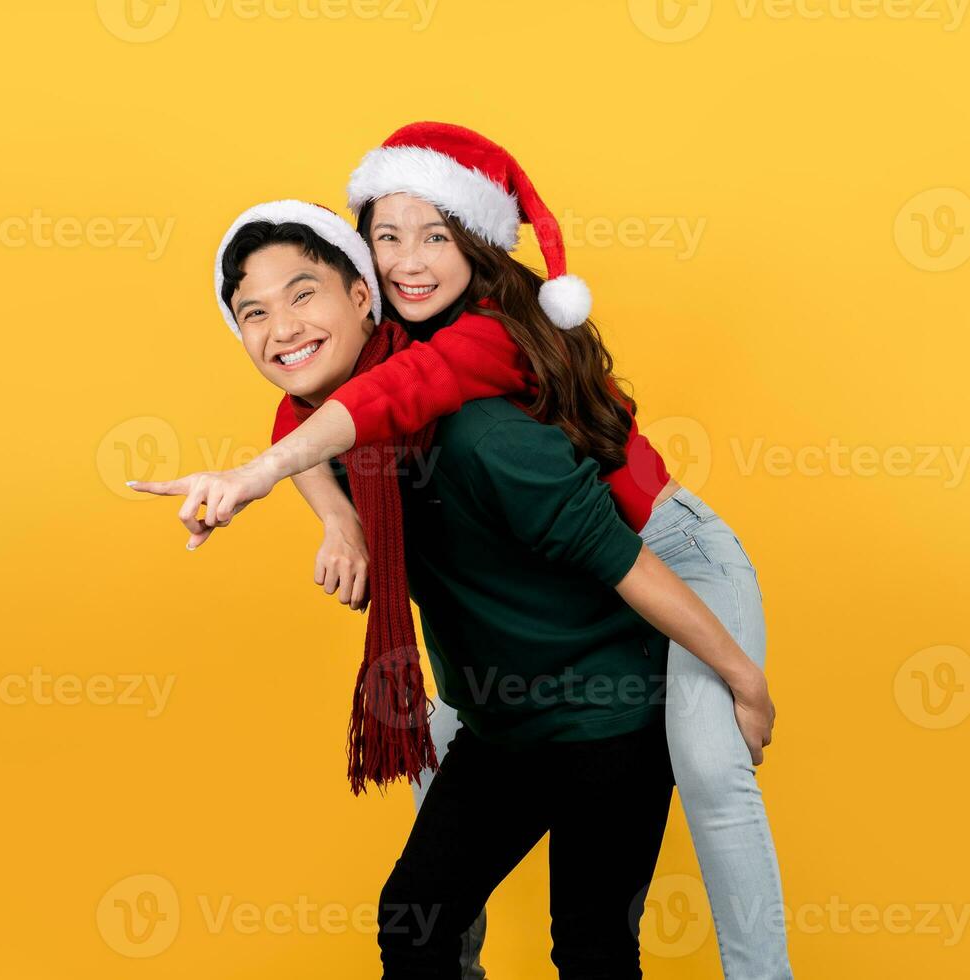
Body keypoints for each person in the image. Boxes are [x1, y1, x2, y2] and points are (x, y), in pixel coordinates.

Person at [161, 123, 795, 979]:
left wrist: (745, 682)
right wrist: (341, 522)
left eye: (435, 237)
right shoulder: (353, 396)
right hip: (509, 706)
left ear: (360, 299)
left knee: (687, 813)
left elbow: (625, 560)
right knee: (419, 918)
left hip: (652, 605)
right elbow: (308, 413)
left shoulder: (479, 387)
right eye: (389, 238)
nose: (410, 260)